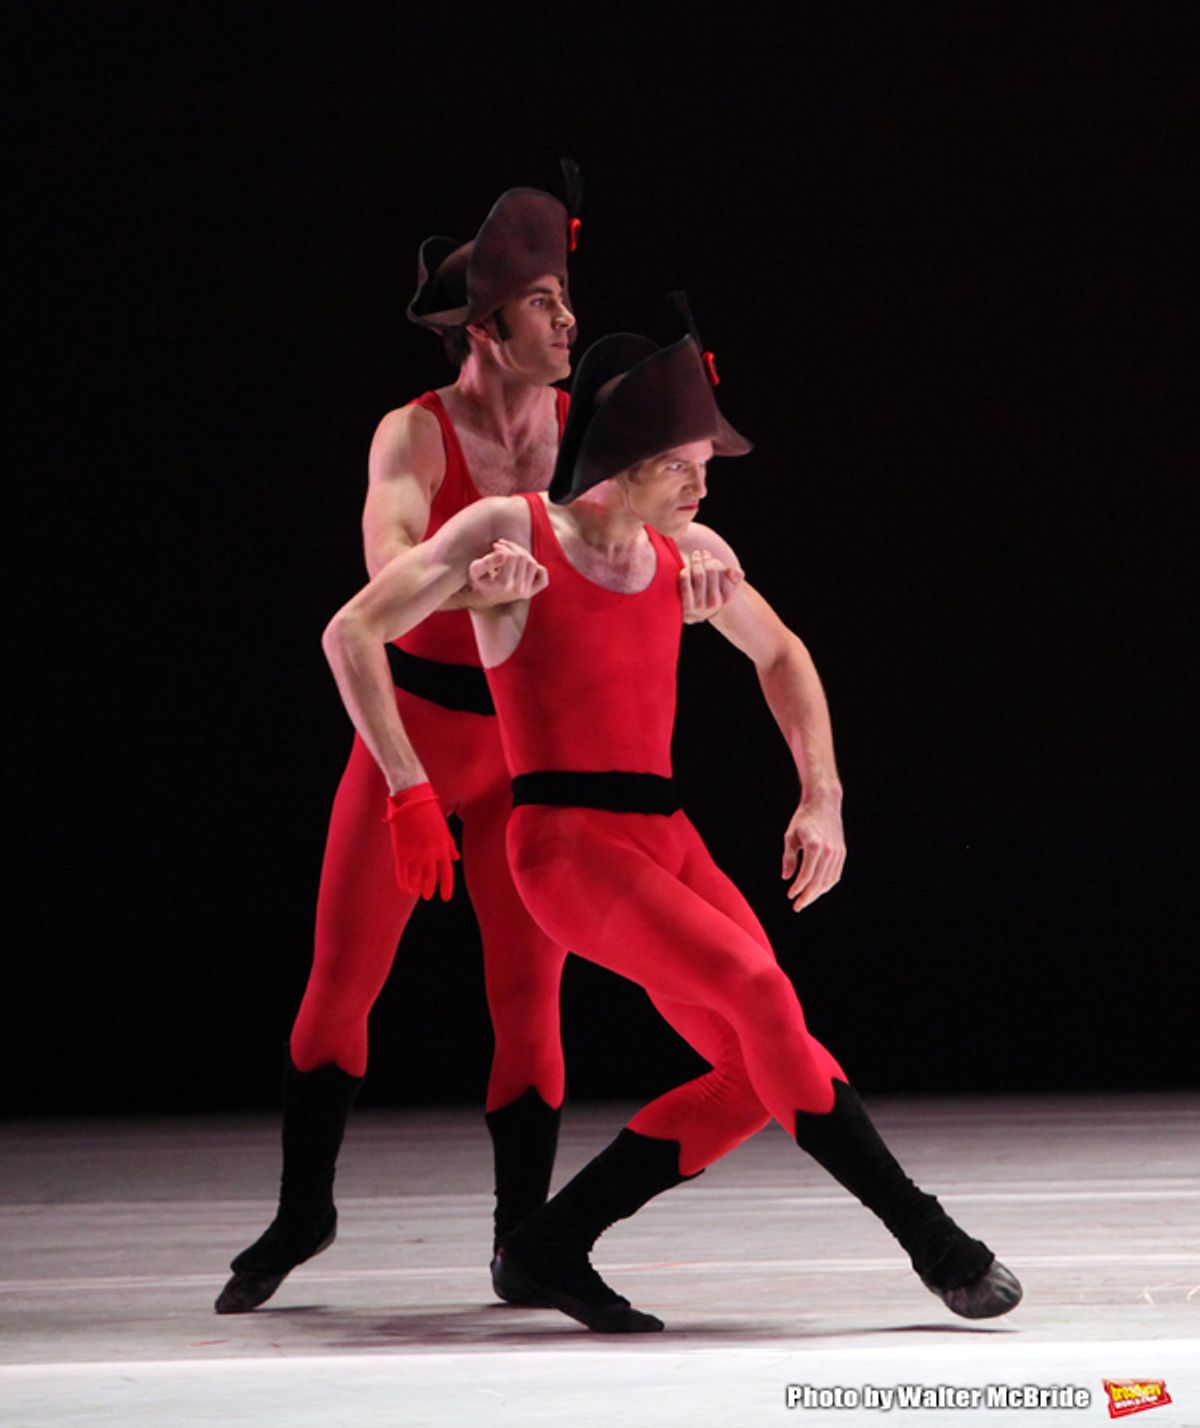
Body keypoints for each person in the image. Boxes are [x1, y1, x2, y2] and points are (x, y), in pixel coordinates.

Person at [320, 321, 1023, 1333]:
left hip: (664, 837)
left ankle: (550, 1242)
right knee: (757, 989)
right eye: (689, 468)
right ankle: (931, 1239)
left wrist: (820, 794)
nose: (704, 489)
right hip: (566, 845)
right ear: (633, 459)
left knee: (754, 1066)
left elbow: (782, 653)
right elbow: (351, 632)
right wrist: (408, 788)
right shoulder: (511, 533)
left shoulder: (687, 553)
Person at [217, 172, 590, 1315]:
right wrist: (404, 785)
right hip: (417, 726)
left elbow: (668, 517)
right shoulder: (415, 436)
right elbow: (383, 573)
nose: (570, 320)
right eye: (544, 302)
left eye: (567, 296)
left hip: (528, 752)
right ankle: (304, 1209)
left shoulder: (589, 432)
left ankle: (522, 1237)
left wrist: (709, 554)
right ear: (484, 329)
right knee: (341, 984)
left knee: (529, 1000)